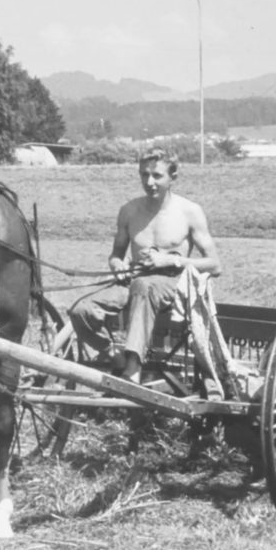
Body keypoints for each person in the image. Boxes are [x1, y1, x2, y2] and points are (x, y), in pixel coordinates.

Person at [68, 149, 222, 384]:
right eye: (144, 175)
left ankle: (133, 369)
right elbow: (116, 255)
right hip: (134, 281)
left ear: (173, 176)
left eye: (157, 176)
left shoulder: (190, 212)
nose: (149, 182)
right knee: (81, 309)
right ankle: (112, 353)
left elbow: (214, 265)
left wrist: (172, 260)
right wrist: (117, 265)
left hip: (174, 284)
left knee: (143, 286)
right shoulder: (129, 211)